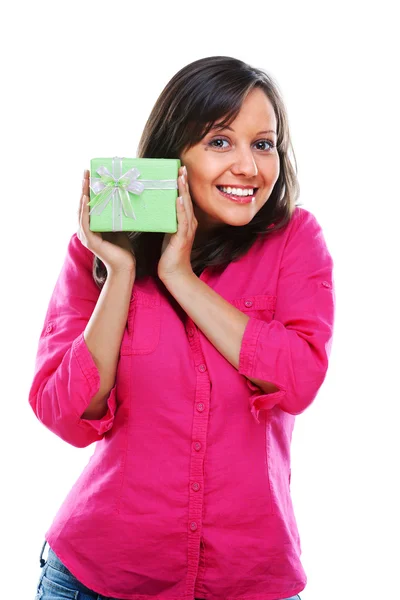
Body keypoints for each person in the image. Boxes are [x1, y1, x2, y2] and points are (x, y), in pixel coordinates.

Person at [30, 55, 335, 600]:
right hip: (97, 579)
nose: (248, 166)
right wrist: (122, 272)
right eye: (220, 141)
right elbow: (66, 415)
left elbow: (299, 378)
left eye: (263, 144)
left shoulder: (294, 239)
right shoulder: (99, 251)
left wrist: (179, 275)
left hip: (247, 581)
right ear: (174, 156)